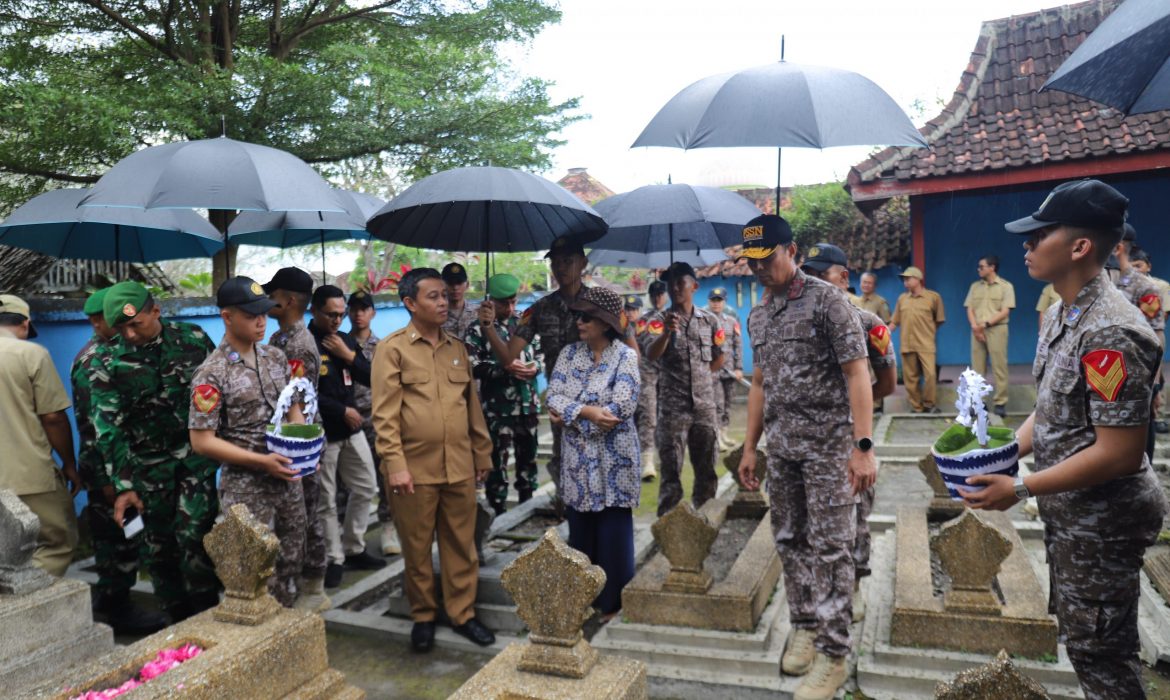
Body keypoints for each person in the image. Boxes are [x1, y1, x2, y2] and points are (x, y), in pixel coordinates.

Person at [962, 179, 1168, 700]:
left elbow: (1120, 452)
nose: (1027, 244)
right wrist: (1005, 453)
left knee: (1103, 657)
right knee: (1083, 643)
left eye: (1040, 234)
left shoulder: (1111, 332)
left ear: (1079, 247)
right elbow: (1051, 410)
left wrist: (1021, 487)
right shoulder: (1062, 312)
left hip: (1103, 521)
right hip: (1073, 513)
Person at [736, 215, 876, 700]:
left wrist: (863, 448)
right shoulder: (758, 315)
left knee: (833, 548)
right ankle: (805, 625)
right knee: (790, 539)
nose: (759, 269)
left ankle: (834, 656)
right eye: (751, 262)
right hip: (783, 452)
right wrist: (750, 447)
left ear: (791, 251)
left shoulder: (827, 301)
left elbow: (858, 374)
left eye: (767, 259)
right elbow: (759, 384)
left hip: (830, 451)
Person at [371, 268, 496, 652]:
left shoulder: (457, 348)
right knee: (417, 547)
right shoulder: (392, 349)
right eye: (434, 296)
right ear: (410, 303)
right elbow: (385, 416)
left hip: (458, 466)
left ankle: (463, 614)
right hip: (414, 470)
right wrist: (396, 466)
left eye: (445, 295)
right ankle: (423, 615)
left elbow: (471, 407)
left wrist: (481, 453)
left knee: (461, 545)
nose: (444, 302)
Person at [90, 281, 220, 621]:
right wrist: (123, 486)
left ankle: (209, 611)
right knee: (158, 549)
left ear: (156, 311)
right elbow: (109, 429)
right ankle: (175, 619)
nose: (130, 334)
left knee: (195, 536)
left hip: (194, 461)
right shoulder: (106, 361)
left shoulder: (193, 339)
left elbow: (219, 392)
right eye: (122, 327)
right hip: (147, 470)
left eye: (136, 324)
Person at [189, 277, 308, 607]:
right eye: (251, 315)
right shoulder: (212, 373)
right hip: (247, 489)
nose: (261, 321)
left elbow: (292, 405)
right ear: (227, 317)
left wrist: (299, 442)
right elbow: (202, 441)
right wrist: (262, 462)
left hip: (287, 479)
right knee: (253, 573)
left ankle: (286, 625)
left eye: (264, 313)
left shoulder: (274, 357)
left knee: (291, 560)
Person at [801, 244, 897, 623]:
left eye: (819, 274)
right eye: (806, 274)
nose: (809, 282)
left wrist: (853, 414)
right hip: (810, 440)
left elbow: (887, 384)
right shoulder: (800, 324)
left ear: (843, 277)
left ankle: (853, 586)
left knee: (855, 515)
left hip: (850, 440)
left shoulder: (870, 324)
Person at [72, 288, 164, 633]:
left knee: (126, 535)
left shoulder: (120, 353)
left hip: (117, 469)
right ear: (100, 321)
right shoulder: (94, 361)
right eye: (112, 320)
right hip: (105, 472)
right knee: (117, 541)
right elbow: (98, 429)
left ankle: (112, 601)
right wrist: (112, 481)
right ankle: (116, 608)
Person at [546, 286, 641, 619]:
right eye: (578, 316)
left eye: (586, 317)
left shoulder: (625, 356)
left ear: (604, 322)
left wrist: (570, 417)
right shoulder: (569, 354)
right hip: (578, 463)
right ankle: (583, 599)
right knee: (581, 530)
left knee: (614, 533)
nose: (579, 322)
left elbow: (622, 407)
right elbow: (552, 396)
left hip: (616, 461)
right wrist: (587, 413)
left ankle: (612, 602)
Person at [476, 235, 590, 506]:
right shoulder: (539, 309)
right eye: (555, 262)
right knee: (564, 472)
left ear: (583, 263)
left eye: (568, 261)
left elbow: (630, 352)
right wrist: (488, 328)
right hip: (560, 408)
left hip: (596, 406)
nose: (560, 268)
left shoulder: (601, 302)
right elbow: (507, 356)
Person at [309, 285, 384, 588]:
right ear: (314, 311)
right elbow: (302, 392)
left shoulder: (344, 339)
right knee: (326, 499)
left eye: (341, 314)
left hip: (352, 430)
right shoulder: (305, 343)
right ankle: (334, 558)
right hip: (324, 432)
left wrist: (348, 355)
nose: (338, 320)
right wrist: (341, 410)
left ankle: (354, 546)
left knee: (366, 486)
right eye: (331, 314)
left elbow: (371, 376)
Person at [264, 266, 330, 611]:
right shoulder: (279, 338)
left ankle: (313, 585)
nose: (266, 301)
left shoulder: (299, 345)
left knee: (304, 514)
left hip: (298, 441)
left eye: (272, 295)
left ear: (289, 300)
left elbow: (298, 404)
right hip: (287, 439)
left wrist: (300, 454)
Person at [0, 295, 79, 576]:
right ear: (25, 324)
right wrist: (69, 464)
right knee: (57, 543)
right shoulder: (30, 354)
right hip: (29, 475)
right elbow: (53, 418)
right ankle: (23, 600)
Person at [639, 261, 724, 517]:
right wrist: (667, 333)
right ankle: (668, 525)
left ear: (694, 286)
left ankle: (704, 520)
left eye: (680, 283)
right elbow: (650, 354)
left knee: (706, 470)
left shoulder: (710, 321)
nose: (675, 288)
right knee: (670, 472)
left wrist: (700, 379)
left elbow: (719, 357)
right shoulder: (657, 321)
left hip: (704, 408)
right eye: (670, 284)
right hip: (673, 410)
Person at [465, 273, 543, 514]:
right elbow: (472, 365)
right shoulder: (477, 329)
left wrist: (535, 367)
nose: (509, 308)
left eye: (513, 301)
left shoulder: (525, 324)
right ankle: (498, 514)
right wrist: (502, 368)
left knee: (528, 462)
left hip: (528, 406)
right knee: (497, 465)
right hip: (498, 410)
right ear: (490, 301)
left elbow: (541, 353)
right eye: (503, 303)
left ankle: (527, 508)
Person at [346, 290, 401, 556]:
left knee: (385, 476)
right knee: (348, 484)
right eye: (354, 309)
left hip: (376, 420)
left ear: (373, 313)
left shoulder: (383, 347)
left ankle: (388, 526)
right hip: (347, 421)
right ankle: (350, 537)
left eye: (364, 309)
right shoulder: (340, 344)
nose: (359, 314)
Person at [964, 255, 1016, 417]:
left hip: (997, 329)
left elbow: (1005, 311)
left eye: (981, 266)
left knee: (999, 366)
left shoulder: (1006, 287)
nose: (978, 269)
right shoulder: (975, 287)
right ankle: (978, 402)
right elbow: (969, 308)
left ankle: (1000, 402)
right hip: (977, 330)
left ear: (992, 267)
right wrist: (975, 327)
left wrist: (984, 325)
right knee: (977, 369)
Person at [889, 266, 945, 413]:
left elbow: (939, 320)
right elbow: (895, 321)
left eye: (908, 279)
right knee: (910, 378)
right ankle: (916, 407)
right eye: (904, 279)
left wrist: (928, 331)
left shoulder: (933, 297)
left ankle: (929, 404)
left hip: (926, 343)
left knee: (930, 375)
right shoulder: (902, 299)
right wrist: (885, 332)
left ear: (918, 279)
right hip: (907, 344)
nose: (905, 282)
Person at [705, 287, 743, 451]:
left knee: (728, 403)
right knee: (718, 404)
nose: (716, 304)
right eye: (713, 300)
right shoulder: (704, 321)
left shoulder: (732, 322)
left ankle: (724, 433)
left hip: (730, 370)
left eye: (719, 300)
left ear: (724, 302)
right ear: (709, 302)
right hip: (713, 371)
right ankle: (717, 438)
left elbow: (738, 345)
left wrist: (739, 367)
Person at [626, 294, 657, 481]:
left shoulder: (648, 327)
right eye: (628, 309)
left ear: (640, 310)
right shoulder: (619, 329)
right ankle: (632, 462)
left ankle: (648, 462)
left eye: (634, 309)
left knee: (648, 419)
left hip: (646, 380)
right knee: (629, 421)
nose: (630, 313)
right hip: (626, 383)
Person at [441, 262, 479, 341]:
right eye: (450, 283)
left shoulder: (478, 312)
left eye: (459, 283)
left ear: (467, 285)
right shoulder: (437, 314)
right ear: (442, 285)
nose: (455, 287)